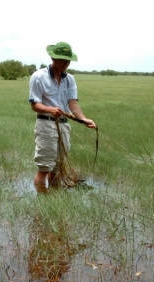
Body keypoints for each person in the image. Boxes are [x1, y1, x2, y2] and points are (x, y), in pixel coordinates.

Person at [28, 41, 96, 194]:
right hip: (46, 124)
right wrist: (50, 109)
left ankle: (55, 198)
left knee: (58, 167)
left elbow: (73, 105)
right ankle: (43, 200)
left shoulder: (69, 79)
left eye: (68, 60)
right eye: (62, 60)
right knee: (45, 166)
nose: (65, 63)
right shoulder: (38, 76)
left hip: (64, 125)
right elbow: (34, 105)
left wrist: (84, 120)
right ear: (53, 59)